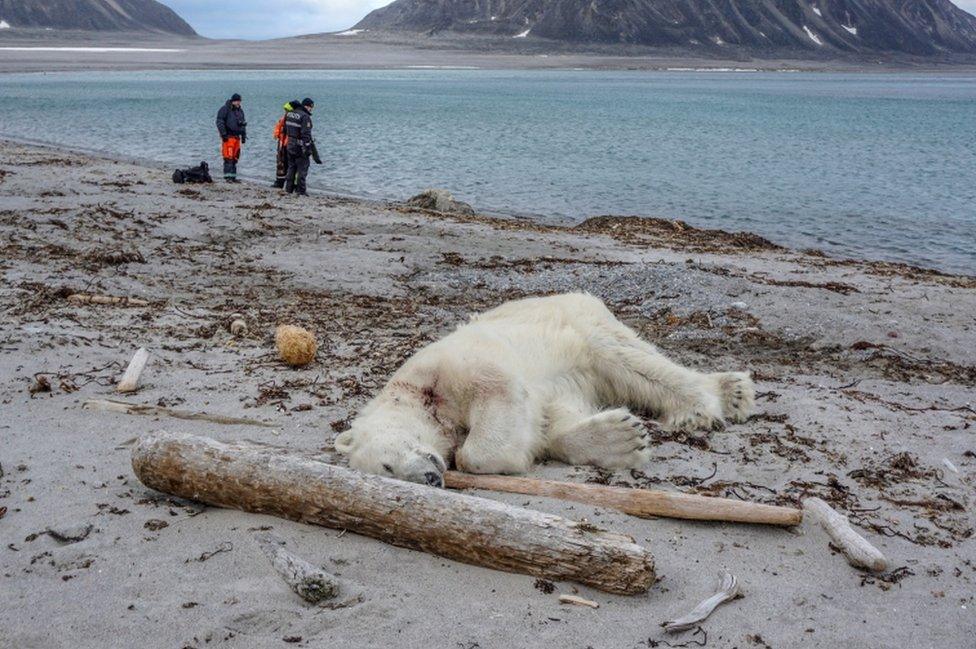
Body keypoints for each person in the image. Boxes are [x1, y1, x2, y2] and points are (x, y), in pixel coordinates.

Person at [284, 97, 316, 195]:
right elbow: (305, 133)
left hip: (290, 143)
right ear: (307, 106)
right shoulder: (305, 116)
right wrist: (307, 147)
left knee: (291, 167)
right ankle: (301, 190)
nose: (311, 109)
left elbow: (285, 128)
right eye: (311, 107)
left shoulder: (289, 114)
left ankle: (288, 189)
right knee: (302, 168)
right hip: (299, 145)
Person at [216, 93, 247, 183]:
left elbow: (243, 123)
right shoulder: (225, 109)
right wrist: (223, 134)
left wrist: (244, 135)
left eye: (239, 101)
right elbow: (219, 122)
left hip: (237, 137)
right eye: (237, 101)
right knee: (228, 157)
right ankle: (228, 177)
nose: (238, 103)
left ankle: (233, 177)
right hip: (228, 137)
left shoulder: (240, 111)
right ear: (233, 101)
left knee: (235, 158)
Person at [272, 100, 300, 188]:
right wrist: (277, 135)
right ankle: (279, 183)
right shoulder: (284, 118)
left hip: (289, 144)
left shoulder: (292, 118)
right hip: (282, 144)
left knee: (291, 165)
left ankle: (291, 185)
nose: (286, 112)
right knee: (281, 164)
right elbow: (278, 127)